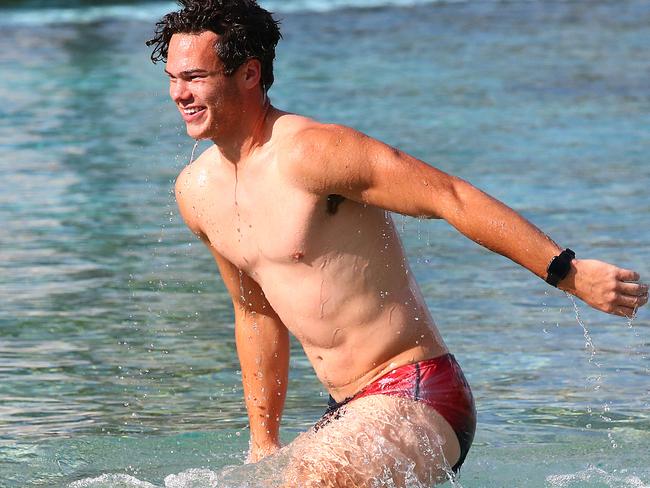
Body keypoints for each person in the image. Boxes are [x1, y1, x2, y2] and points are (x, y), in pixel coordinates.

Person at [147, 1, 648, 486]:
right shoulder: (197, 192)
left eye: (194, 78)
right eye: (172, 78)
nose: (179, 94)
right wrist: (263, 441)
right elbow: (254, 312)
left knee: (315, 482)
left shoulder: (313, 152)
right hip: (344, 414)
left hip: (417, 389)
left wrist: (568, 272)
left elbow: (452, 198)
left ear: (249, 74)